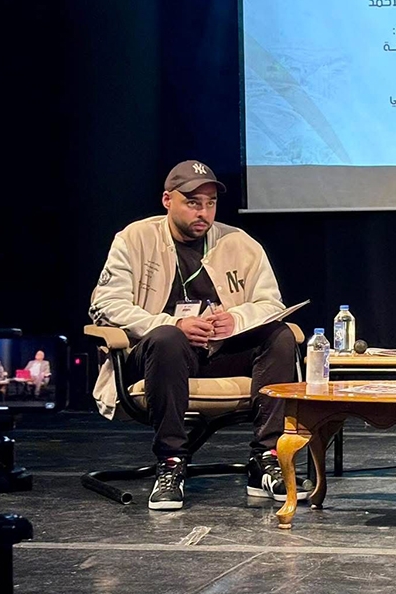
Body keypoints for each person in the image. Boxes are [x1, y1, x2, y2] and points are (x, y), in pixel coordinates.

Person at [89, 160, 299, 511]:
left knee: (280, 336)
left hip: (219, 352)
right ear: (167, 200)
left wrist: (236, 319)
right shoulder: (134, 239)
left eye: (210, 203)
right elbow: (106, 304)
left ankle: (266, 459)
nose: (203, 212)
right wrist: (170, 323)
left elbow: (270, 303)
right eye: (192, 203)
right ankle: (171, 462)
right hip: (156, 356)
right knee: (168, 338)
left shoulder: (239, 242)